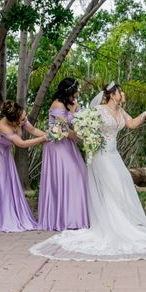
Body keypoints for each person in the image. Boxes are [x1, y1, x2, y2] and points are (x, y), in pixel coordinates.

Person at [30, 83, 146, 261]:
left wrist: (144, 115)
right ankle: (111, 222)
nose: (123, 94)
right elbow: (82, 125)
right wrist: (89, 137)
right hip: (101, 155)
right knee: (113, 184)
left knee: (123, 180)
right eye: (120, 92)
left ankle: (124, 219)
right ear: (112, 94)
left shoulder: (120, 111)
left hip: (113, 154)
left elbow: (131, 124)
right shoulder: (98, 110)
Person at [0, 101, 47, 232]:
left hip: (3, 151)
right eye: (22, 119)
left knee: (5, 183)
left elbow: (33, 130)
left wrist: (49, 135)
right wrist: (43, 139)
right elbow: (21, 144)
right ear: (13, 121)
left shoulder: (20, 116)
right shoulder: (3, 126)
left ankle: (5, 212)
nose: (25, 119)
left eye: (24, 116)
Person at [37, 78, 90, 231]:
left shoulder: (74, 104)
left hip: (68, 145)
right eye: (76, 89)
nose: (78, 92)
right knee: (69, 174)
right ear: (70, 91)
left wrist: (88, 132)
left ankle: (76, 217)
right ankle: (63, 218)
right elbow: (63, 129)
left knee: (80, 174)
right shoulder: (57, 104)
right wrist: (82, 138)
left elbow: (80, 123)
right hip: (57, 145)